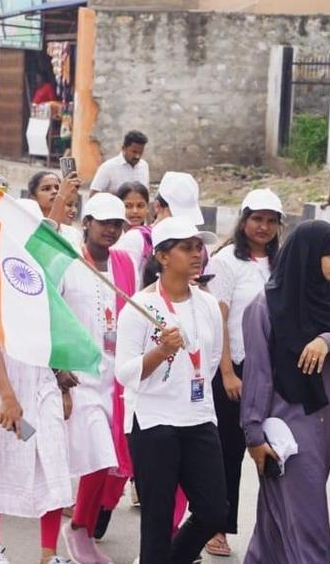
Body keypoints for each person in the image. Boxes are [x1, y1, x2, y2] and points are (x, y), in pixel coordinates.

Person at [239, 220, 330, 564]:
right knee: (308, 524)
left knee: (276, 524)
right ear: (307, 256)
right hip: (286, 432)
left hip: (323, 426)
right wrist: (253, 436)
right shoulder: (263, 307)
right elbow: (257, 376)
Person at [116, 217, 225, 564]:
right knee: (158, 521)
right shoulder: (139, 307)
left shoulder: (207, 304)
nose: (197, 254)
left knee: (213, 510)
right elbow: (125, 373)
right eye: (186, 248)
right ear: (163, 257)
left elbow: (210, 361)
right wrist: (161, 352)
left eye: (198, 247)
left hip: (198, 417)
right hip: (153, 422)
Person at [0, 221, 73, 564]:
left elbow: (52, 337)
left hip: (41, 389)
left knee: (50, 457)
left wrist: (61, 377)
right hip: (1, 393)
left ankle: (49, 554)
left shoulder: (44, 284)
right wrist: (8, 397)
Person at [199, 188, 283, 558]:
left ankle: (277, 528)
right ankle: (217, 526)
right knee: (229, 450)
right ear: (244, 220)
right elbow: (219, 319)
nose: (263, 227)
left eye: (271, 221)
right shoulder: (226, 263)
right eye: (257, 219)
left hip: (273, 369)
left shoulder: (282, 264)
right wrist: (228, 372)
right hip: (235, 367)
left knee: (277, 449)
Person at [59, 193, 139, 564]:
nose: (110, 229)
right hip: (81, 376)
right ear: (86, 222)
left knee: (113, 463)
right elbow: (53, 316)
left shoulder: (125, 263)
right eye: (103, 222)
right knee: (97, 457)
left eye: (117, 224)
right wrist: (58, 369)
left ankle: (86, 529)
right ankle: (78, 528)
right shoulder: (68, 261)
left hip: (118, 375)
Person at [114, 171, 204, 283]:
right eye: (176, 215)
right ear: (157, 207)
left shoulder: (197, 244)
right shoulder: (136, 239)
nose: (182, 223)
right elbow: (122, 284)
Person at [89, 130, 149, 196]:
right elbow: (93, 195)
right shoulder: (108, 167)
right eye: (134, 152)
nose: (137, 156)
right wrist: (119, 194)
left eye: (140, 152)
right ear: (124, 148)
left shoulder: (144, 166)